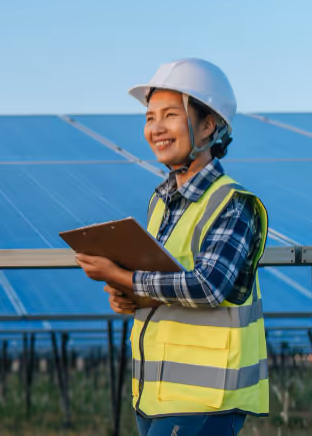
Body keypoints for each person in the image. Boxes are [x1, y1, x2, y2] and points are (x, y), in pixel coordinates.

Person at [75, 58, 269, 436]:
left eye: (169, 115)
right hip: (154, 398)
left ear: (209, 125)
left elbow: (210, 287)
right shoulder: (160, 202)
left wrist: (125, 276)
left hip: (206, 404)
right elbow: (165, 282)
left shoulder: (232, 204)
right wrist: (128, 295)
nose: (155, 128)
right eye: (149, 118)